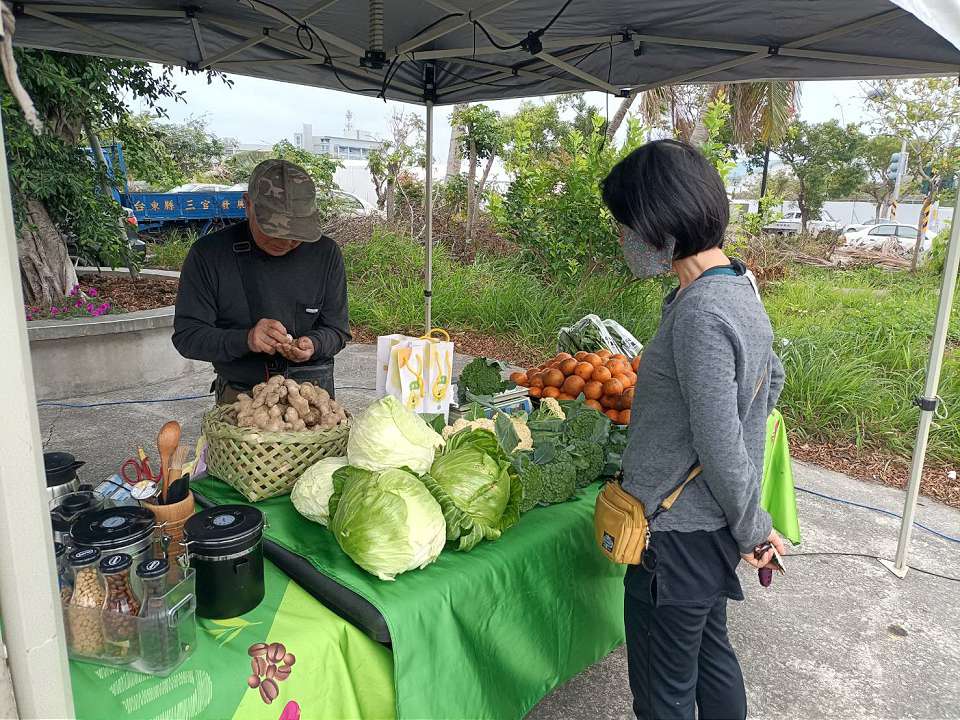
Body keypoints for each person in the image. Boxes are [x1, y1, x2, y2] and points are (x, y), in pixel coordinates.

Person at [601, 139, 786, 720]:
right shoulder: (736, 285)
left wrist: (755, 528)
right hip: (703, 531)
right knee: (710, 655)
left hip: (673, 535)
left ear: (660, 225)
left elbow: (720, 439)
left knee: (664, 692)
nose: (625, 239)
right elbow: (771, 382)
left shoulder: (702, 312)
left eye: (627, 225)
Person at [173, 159, 350, 404]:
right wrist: (246, 339)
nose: (286, 241)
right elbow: (188, 336)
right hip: (242, 398)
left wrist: (314, 344)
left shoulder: (325, 253)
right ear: (248, 205)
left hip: (312, 397)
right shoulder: (209, 255)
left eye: (296, 233)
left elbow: (338, 330)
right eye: (274, 229)